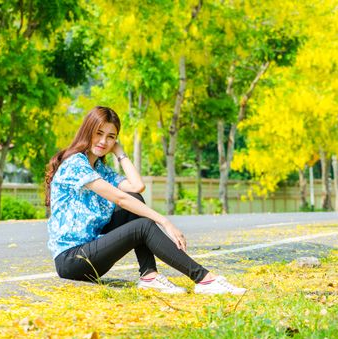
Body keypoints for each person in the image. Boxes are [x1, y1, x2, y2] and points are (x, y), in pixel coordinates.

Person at [45, 106, 246, 295]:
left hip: (92, 252)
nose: (103, 141)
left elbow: (136, 187)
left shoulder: (99, 169)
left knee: (136, 200)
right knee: (142, 224)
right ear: (87, 131)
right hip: (72, 260)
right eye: (99, 133)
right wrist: (164, 221)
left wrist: (120, 153)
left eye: (111, 137)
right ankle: (204, 280)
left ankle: (149, 276)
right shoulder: (75, 164)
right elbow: (120, 198)